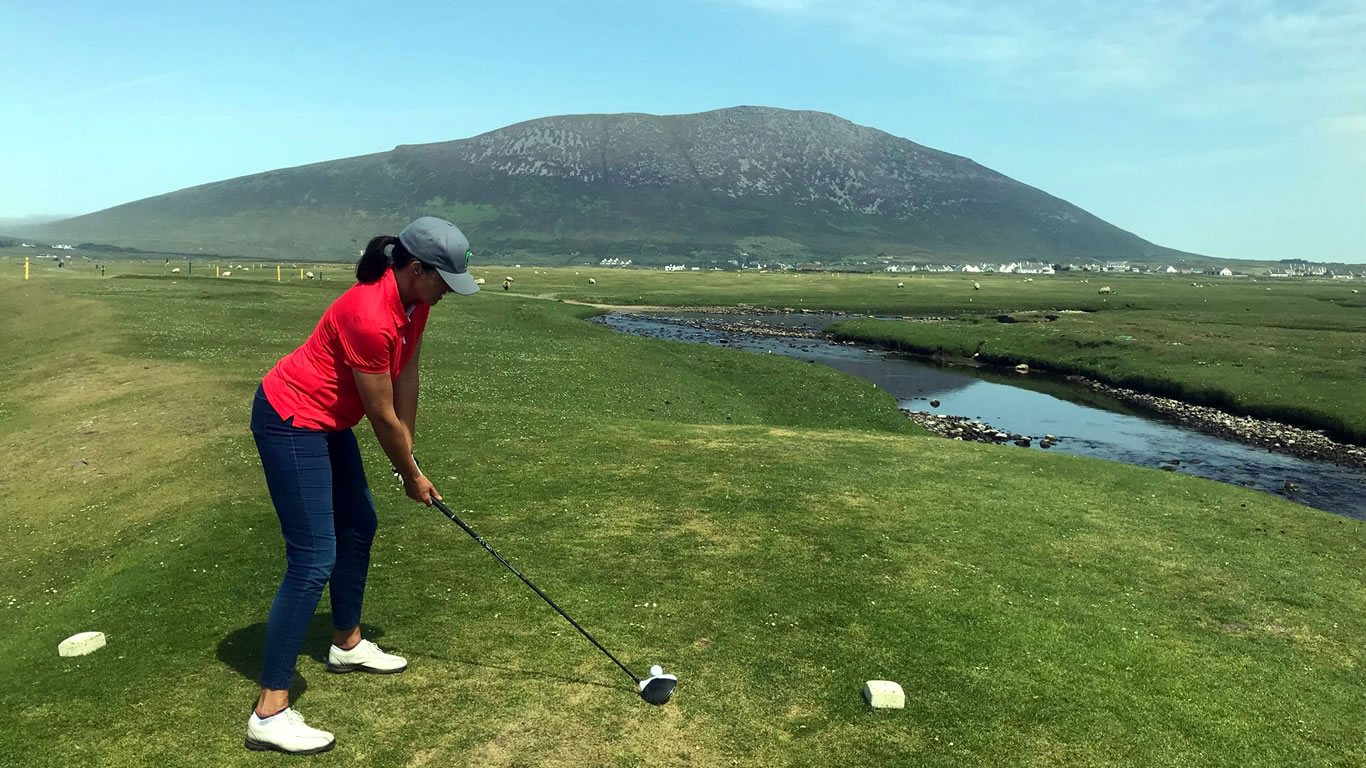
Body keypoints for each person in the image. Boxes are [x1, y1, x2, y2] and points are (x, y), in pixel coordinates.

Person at [244, 217, 479, 754]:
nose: (447, 291)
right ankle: (269, 710)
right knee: (311, 559)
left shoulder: (415, 306)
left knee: (359, 525)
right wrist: (412, 475)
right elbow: (378, 413)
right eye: (443, 279)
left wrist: (408, 462)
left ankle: (346, 643)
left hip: (326, 423)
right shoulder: (369, 314)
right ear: (415, 268)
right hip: (290, 419)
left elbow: (406, 379)